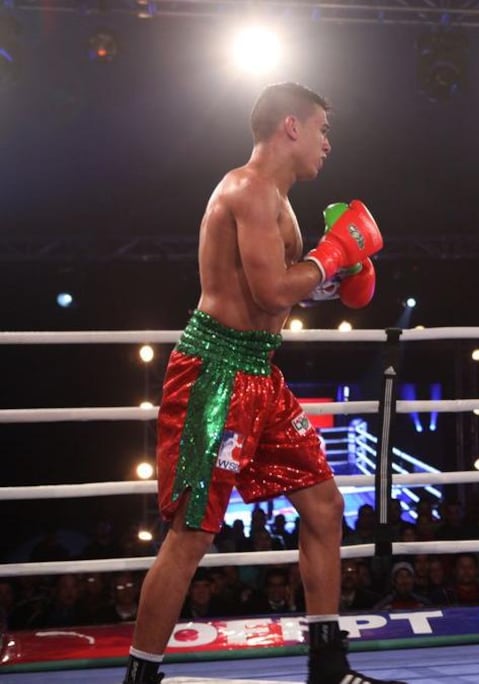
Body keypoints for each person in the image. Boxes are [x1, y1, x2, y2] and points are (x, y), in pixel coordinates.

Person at [122, 82, 400, 684]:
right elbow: (273, 290)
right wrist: (328, 258)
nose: (328, 143)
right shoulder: (247, 189)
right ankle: (141, 678)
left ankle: (327, 666)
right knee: (191, 534)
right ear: (291, 127)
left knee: (323, 505)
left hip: (260, 372)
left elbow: (274, 292)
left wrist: (330, 279)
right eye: (322, 129)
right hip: (214, 373)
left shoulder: (281, 200)